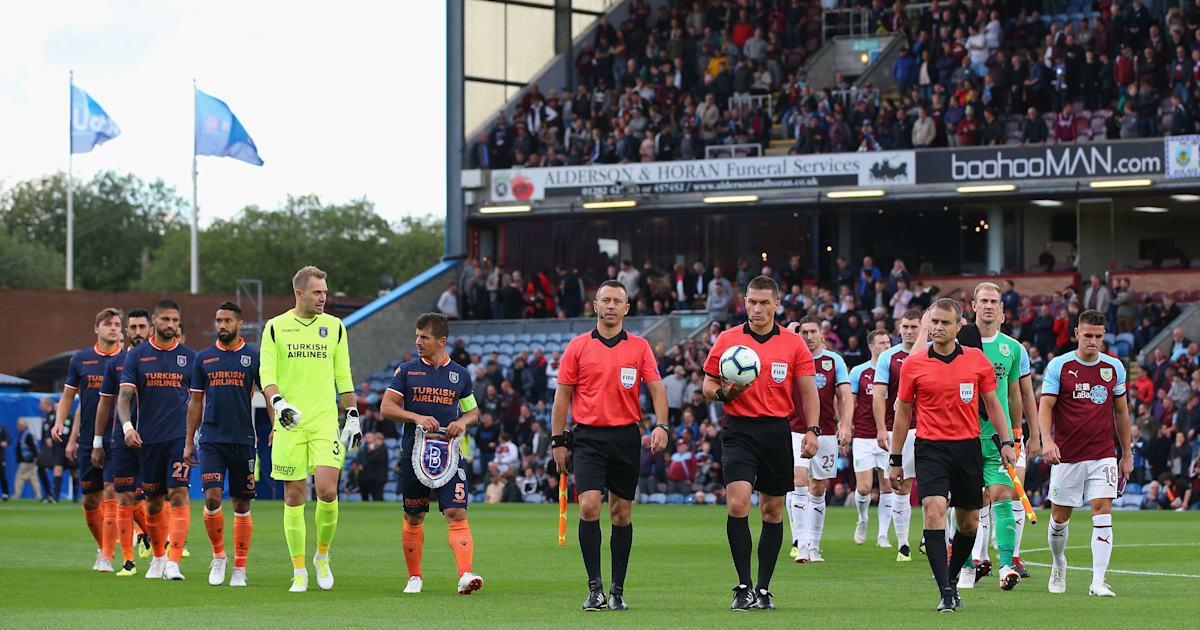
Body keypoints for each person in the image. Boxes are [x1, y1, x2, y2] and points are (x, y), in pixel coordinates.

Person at [888, 298, 1015, 612]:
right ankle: (946, 590)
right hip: (930, 448)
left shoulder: (976, 360)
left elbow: (994, 404)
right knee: (933, 511)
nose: (938, 328)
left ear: (960, 326)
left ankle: (953, 576)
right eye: (934, 322)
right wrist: (895, 458)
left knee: (969, 523)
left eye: (945, 323)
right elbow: (902, 413)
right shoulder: (914, 365)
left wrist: (1007, 442)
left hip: (967, 447)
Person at [551, 280, 670, 611]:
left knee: (621, 513)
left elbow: (658, 389)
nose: (611, 306)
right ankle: (594, 589)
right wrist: (558, 441)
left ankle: (617, 589)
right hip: (587, 436)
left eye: (618, 301)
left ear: (627, 308)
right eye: (606, 300)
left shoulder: (640, 347)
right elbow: (562, 397)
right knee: (589, 506)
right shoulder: (577, 347)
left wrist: (661, 425)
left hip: (625, 436)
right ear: (595, 305)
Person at [702, 276, 819, 611]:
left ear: (776, 304)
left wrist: (812, 430)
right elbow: (708, 384)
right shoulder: (728, 340)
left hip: (776, 431)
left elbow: (808, 391)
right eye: (751, 302)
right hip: (739, 429)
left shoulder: (793, 344)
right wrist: (725, 393)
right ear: (745, 302)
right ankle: (743, 587)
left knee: (772, 510)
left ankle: (764, 589)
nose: (756, 308)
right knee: (738, 504)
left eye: (764, 302)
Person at [259, 266, 359, 592]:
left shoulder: (335, 327)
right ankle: (299, 570)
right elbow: (267, 375)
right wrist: (279, 405)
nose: (323, 298)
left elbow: (343, 375)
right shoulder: (275, 328)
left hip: (325, 422)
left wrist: (353, 414)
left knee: (328, 490)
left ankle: (323, 556)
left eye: (325, 293)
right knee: (294, 496)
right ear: (299, 293)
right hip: (290, 422)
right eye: (317, 293)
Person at [380, 312, 483, 595]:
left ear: (441, 341)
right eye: (417, 335)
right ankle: (414, 577)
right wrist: (416, 417)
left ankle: (465, 575)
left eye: (424, 337)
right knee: (414, 517)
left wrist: (461, 422)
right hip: (414, 454)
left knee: (456, 511)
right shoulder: (407, 371)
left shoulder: (460, 375)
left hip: (450, 454)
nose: (418, 341)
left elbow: (474, 412)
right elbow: (386, 407)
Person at [1039, 310, 1132, 598]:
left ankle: (1098, 581)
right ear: (1077, 333)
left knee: (1103, 511)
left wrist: (1126, 454)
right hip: (1067, 456)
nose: (1093, 341)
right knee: (1059, 518)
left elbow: (1121, 412)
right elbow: (1046, 407)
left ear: (1104, 336)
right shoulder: (1060, 366)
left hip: (1102, 454)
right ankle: (1058, 563)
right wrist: (1047, 440)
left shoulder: (1114, 368)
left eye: (1099, 337)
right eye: (1088, 335)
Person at [116, 300, 197, 581]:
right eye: (165, 320)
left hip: (179, 439)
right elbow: (124, 397)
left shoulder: (190, 357)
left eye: (175, 320)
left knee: (179, 494)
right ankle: (159, 557)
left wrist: (196, 434)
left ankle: (173, 562)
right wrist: (127, 427)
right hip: (147, 440)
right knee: (152, 502)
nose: (171, 325)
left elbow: (202, 399)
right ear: (154, 321)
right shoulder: (137, 356)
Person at [183, 302, 263, 587]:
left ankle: (240, 568)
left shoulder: (254, 357)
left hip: (243, 439)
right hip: (212, 439)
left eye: (227, 321)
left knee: (242, 503)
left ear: (240, 324)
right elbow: (195, 401)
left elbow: (271, 393)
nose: (222, 326)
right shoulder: (203, 358)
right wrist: (188, 441)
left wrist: (277, 426)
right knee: (212, 497)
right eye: (218, 320)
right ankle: (219, 557)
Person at [954, 283, 1025, 592]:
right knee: (967, 504)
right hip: (962, 435)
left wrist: (1018, 433)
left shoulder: (1012, 348)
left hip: (998, 437)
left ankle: (1007, 564)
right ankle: (967, 565)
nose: (988, 306)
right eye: (983, 300)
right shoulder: (956, 345)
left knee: (1002, 494)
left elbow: (1013, 394)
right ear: (973, 306)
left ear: (1001, 309)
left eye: (993, 301)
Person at [53, 307, 124, 572]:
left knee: (110, 492)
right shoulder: (80, 360)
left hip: (117, 438)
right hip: (87, 439)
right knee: (89, 500)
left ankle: (107, 555)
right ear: (96, 329)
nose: (113, 328)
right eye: (108, 324)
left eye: (117, 324)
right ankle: (104, 545)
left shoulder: (128, 359)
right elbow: (70, 397)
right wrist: (62, 423)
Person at [94, 308, 154, 575]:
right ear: (127, 331)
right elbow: (105, 405)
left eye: (143, 327)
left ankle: (161, 544)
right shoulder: (115, 364)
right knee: (122, 495)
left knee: (155, 498)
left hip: (156, 439)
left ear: (150, 329)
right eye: (134, 327)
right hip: (122, 439)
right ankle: (126, 560)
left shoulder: (159, 360)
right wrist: (97, 441)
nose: (138, 332)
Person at [789, 316, 851, 563]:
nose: (809, 336)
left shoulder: (834, 361)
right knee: (799, 480)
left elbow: (845, 395)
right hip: (795, 430)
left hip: (825, 432)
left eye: (813, 331)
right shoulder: (792, 358)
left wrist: (845, 424)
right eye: (804, 332)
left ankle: (814, 546)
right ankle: (801, 545)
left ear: (822, 334)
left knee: (818, 488)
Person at [874, 308, 922, 561]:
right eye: (905, 327)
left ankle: (933, 535)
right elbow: (879, 395)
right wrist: (882, 428)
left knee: (940, 486)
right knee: (902, 485)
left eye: (914, 327)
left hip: (931, 427)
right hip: (900, 429)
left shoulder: (931, 352)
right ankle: (903, 544)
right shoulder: (888, 357)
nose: (909, 331)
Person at [849, 330, 897, 549]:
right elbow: (850, 402)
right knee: (865, 488)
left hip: (890, 432)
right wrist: (845, 426)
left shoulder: (895, 371)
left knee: (887, 484)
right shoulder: (859, 371)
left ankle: (883, 535)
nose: (886, 345)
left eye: (888, 342)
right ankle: (863, 518)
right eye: (881, 342)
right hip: (863, 436)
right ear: (871, 346)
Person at [12, 419, 41, 500]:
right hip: (30, 461)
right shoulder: (27, 434)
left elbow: (33, 447)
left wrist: (36, 457)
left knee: (20, 477)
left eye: (18, 425)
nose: (17, 427)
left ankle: (16, 495)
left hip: (28, 461)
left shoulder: (27, 435)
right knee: (33, 478)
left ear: (22, 426)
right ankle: (38, 496)